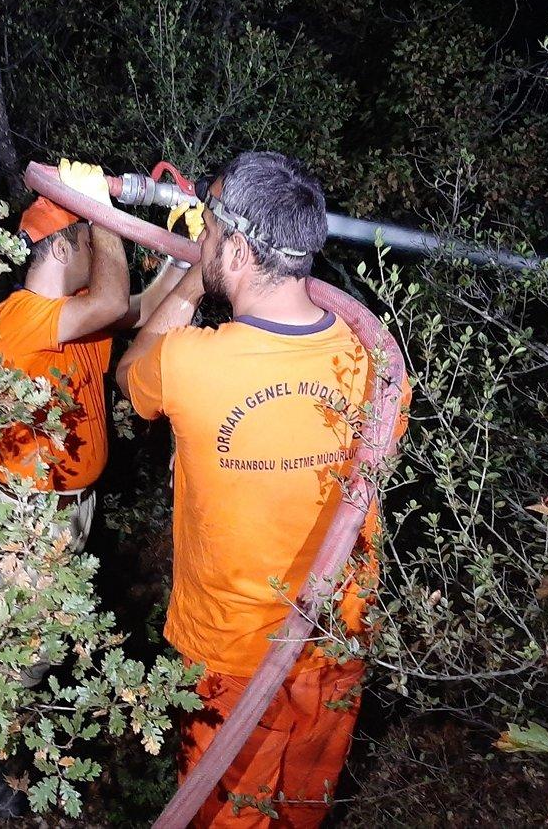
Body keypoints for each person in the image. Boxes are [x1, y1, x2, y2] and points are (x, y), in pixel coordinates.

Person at [116, 152, 410, 827]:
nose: (203, 236)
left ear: (240, 250)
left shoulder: (191, 363)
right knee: (302, 811)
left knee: (227, 818)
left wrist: (191, 281)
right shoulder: (374, 361)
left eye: (210, 228)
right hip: (338, 648)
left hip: (233, 659)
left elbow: (130, 375)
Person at [0, 159, 190, 551]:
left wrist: (180, 254)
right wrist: (102, 214)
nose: (98, 253)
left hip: (76, 505)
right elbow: (111, 303)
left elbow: (145, 307)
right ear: (62, 248)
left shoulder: (80, 309)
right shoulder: (15, 318)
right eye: (89, 242)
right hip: (28, 514)